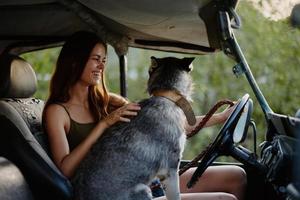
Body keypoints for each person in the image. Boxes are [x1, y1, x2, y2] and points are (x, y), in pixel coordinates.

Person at [43, 31, 246, 200]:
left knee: (236, 176)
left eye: (104, 60)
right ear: (74, 61)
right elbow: (64, 170)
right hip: (115, 190)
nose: (101, 66)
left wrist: (221, 117)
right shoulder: (57, 111)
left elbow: (169, 123)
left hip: (148, 178)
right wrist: (103, 124)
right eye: (96, 59)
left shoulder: (108, 101)